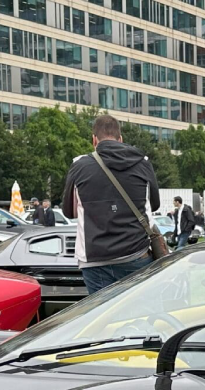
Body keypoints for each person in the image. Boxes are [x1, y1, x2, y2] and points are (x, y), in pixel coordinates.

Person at [62, 112, 160, 294]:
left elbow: (69, 211)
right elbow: (154, 205)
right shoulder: (143, 163)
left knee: (103, 318)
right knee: (138, 314)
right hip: (136, 254)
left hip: (95, 258)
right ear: (120, 139)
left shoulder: (79, 166)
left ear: (94, 140)